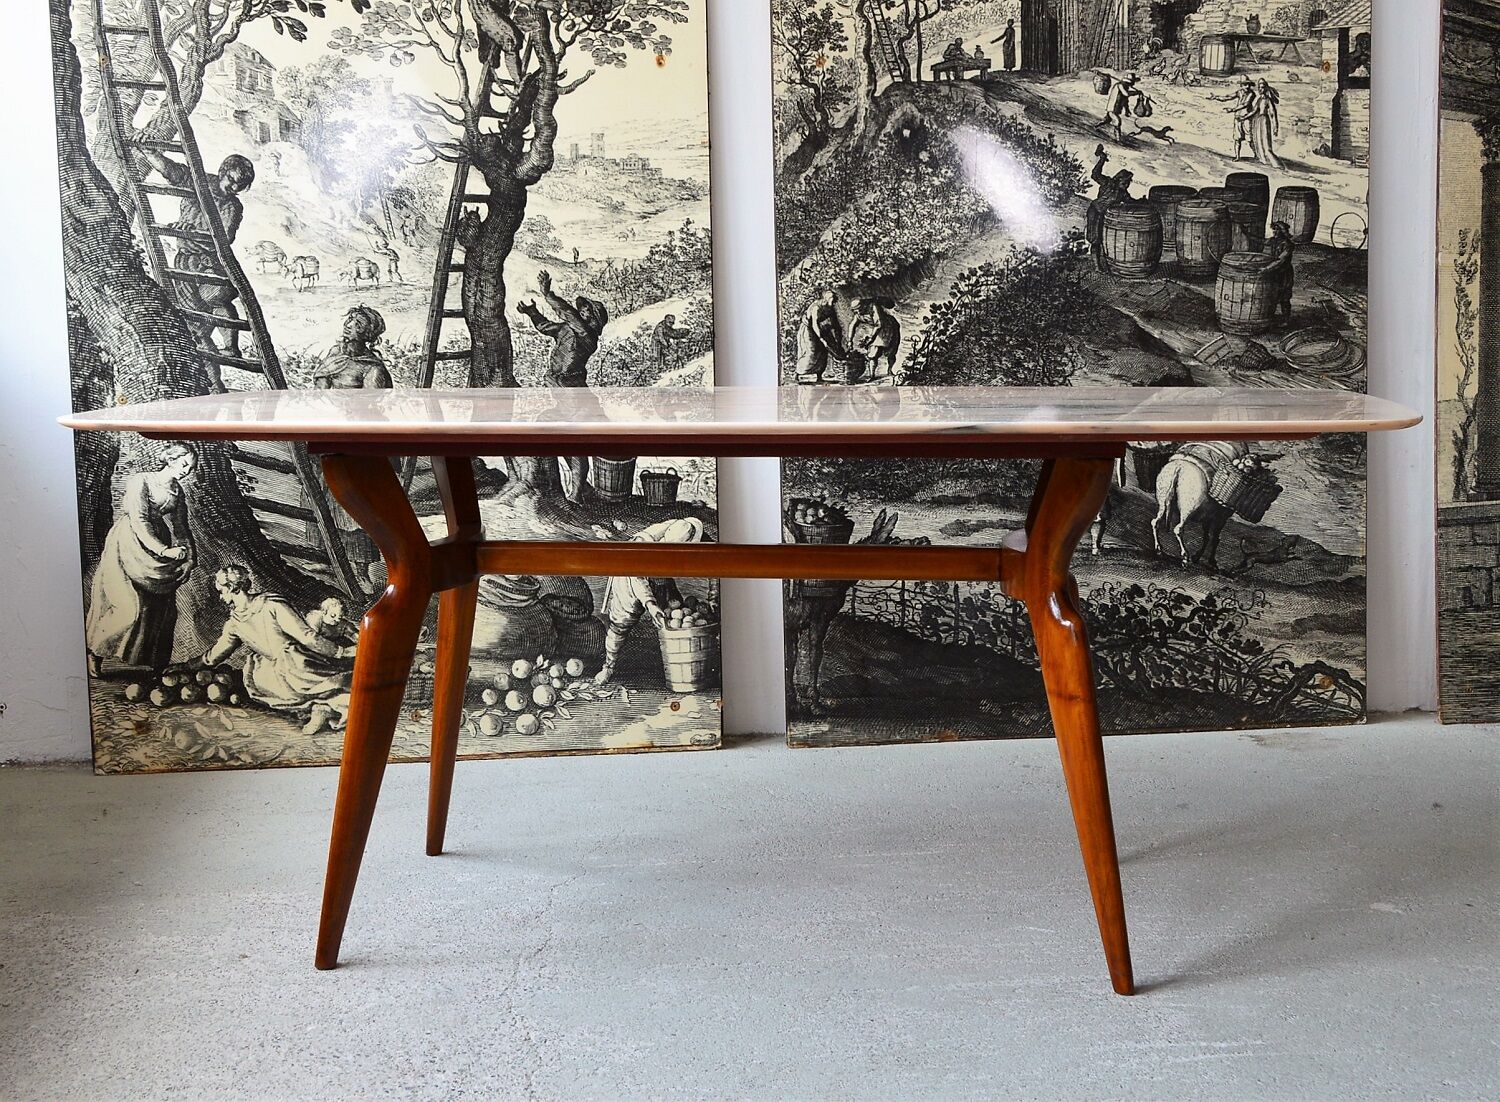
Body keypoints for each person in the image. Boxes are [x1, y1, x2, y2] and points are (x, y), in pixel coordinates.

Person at [142, 150, 256, 386]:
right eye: (231, 181)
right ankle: (213, 384)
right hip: (185, 263)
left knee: (217, 298)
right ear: (223, 173)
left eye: (240, 185)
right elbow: (173, 172)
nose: (233, 188)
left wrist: (191, 231)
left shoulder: (232, 207)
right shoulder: (200, 182)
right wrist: (150, 152)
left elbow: (224, 237)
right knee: (194, 329)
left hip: (210, 263)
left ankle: (230, 347)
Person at [199, 565, 356, 735]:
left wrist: (340, 652)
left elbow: (306, 636)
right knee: (287, 692)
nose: (221, 597)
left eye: (222, 591)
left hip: (295, 662)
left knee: (330, 686)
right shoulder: (234, 623)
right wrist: (192, 664)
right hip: (269, 672)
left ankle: (326, 709)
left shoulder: (272, 603)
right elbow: (217, 653)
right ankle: (319, 708)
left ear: (232, 588)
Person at [85, 444, 197, 676]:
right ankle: (93, 652)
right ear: (171, 459)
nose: (187, 470)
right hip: (128, 543)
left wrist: (189, 559)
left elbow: (182, 528)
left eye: (191, 467)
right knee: (127, 606)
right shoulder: (142, 480)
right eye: (184, 464)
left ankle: (154, 664)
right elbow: (139, 520)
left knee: (158, 608)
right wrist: (164, 550)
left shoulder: (177, 491)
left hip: (158, 548)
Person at [593, 517, 705, 687]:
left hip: (658, 574)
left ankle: (681, 659)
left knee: (676, 614)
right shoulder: (640, 550)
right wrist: (651, 606)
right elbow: (639, 583)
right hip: (629, 578)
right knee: (620, 625)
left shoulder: (676, 527)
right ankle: (608, 666)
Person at [518, 269, 608, 388]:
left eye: (587, 308)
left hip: (572, 384)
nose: (583, 309)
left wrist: (547, 294)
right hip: (554, 381)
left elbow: (568, 313)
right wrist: (532, 312)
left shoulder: (588, 336)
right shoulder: (567, 328)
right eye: (583, 306)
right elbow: (545, 327)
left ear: (594, 319)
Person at [313, 306, 391, 390]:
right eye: (350, 319)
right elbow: (320, 389)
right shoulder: (336, 351)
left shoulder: (373, 368)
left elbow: (369, 401)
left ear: (367, 333)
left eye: (358, 325)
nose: (349, 325)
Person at [1086, 146, 1135, 272]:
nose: (1127, 185)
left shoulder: (1123, 193)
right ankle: (1097, 267)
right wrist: (1102, 159)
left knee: (1106, 241)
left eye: (1128, 183)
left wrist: (1143, 201)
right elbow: (1095, 174)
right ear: (1118, 179)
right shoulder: (1107, 182)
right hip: (1095, 212)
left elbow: (1131, 202)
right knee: (1095, 240)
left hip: (1105, 216)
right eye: (1125, 182)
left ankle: (1105, 265)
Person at [795, 289, 847, 382]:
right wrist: (821, 338)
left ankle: (819, 376)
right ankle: (799, 373)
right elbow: (814, 324)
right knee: (811, 350)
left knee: (823, 352)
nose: (833, 301)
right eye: (831, 299)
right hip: (808, 329)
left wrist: (838, 343)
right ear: (826, 299)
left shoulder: (830, 309)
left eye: (834, 299)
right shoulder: (817, 307)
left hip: (820, 328)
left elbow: (836, 326)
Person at [849, 299, 902, 383]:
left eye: (858, 309)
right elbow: (852, 325)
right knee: (872, 354)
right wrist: (849, 340)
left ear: (863, 306)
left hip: (890, 327)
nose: (857, 312)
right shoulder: (858, 314)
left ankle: (890, 370)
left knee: (891, 351)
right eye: (855, 310)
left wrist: (870, 339)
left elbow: (879, 324)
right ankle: (872, 375)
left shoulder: (873, 307)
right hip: (879, 329)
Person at [1212, 77, 1257, 160]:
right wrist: (1217, 97)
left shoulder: (1252, 94)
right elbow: (1228, 97)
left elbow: (1245, 104)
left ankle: (1256, 155)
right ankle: (1237, 156)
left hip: (1246, 118)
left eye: (1248, 85)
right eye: (1245, 85)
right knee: (1237, 139)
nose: (1247, 86)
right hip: (1238, 118)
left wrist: (1232, 109)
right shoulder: (1239, 92)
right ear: (1241, 85)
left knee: (1249, 139)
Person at [1262, 220, 1296, 321]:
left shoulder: (1288, 245)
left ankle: (1286, 320)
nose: (1274, 232)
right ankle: (1271, 317)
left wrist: (1266, 269)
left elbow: (1280, 260)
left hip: (1284, 274)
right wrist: (1247, 233)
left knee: (1285, 298)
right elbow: (1261, 241)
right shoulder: (1273, 240)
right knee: (1272, 294)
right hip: (1275, 273)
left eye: (1277, 230)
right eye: (1274, 230)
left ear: (1283, 231)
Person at [1249, 79, 1282, 168]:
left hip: (1264, 120)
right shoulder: (1259, 99)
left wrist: (1275, 127)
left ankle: (1277, 164)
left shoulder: (1268, 100)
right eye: (1259, 88)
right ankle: (1263, 159)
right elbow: (1254, 111)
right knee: (1259, 140)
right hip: (1258, 121)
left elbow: (1273, 114)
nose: (1260, 89)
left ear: (1266, 88)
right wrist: (1244, 117)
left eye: (1262, 87)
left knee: (1266, 143)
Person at [1100, 71, 1140, 142]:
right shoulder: (1120, 85)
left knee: (1107, 120)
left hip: (1117, 108)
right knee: (1117, 122)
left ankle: (1095, 127)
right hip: (1112, 107)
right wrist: (1135, 93)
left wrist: (1127, 110)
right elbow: (1126, 94)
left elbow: (1125, 100)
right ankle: (1118, 139)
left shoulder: (1125, 87)